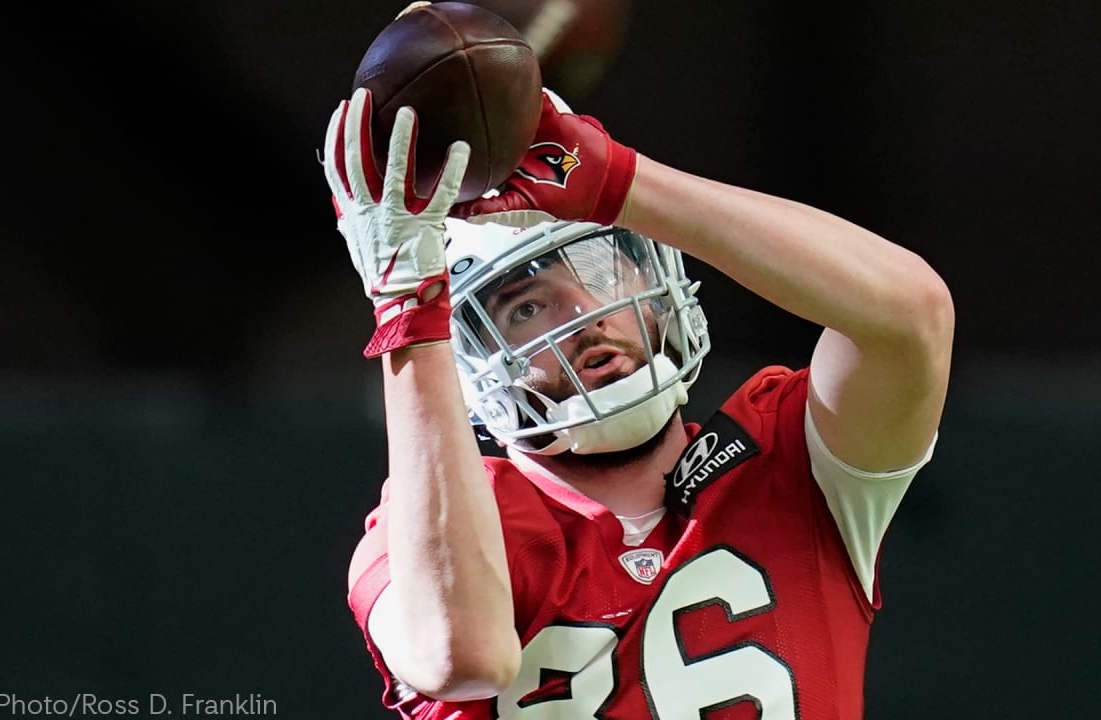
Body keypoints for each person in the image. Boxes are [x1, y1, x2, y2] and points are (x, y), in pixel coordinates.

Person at [323, 66, 954, 720]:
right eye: (524, 308)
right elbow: (461, 657)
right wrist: (409, 306)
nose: (582, 311)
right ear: (470, 359)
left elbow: (913, 317)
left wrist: (621, 181)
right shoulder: (444, 524)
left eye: (598, 269)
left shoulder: (785, 462)